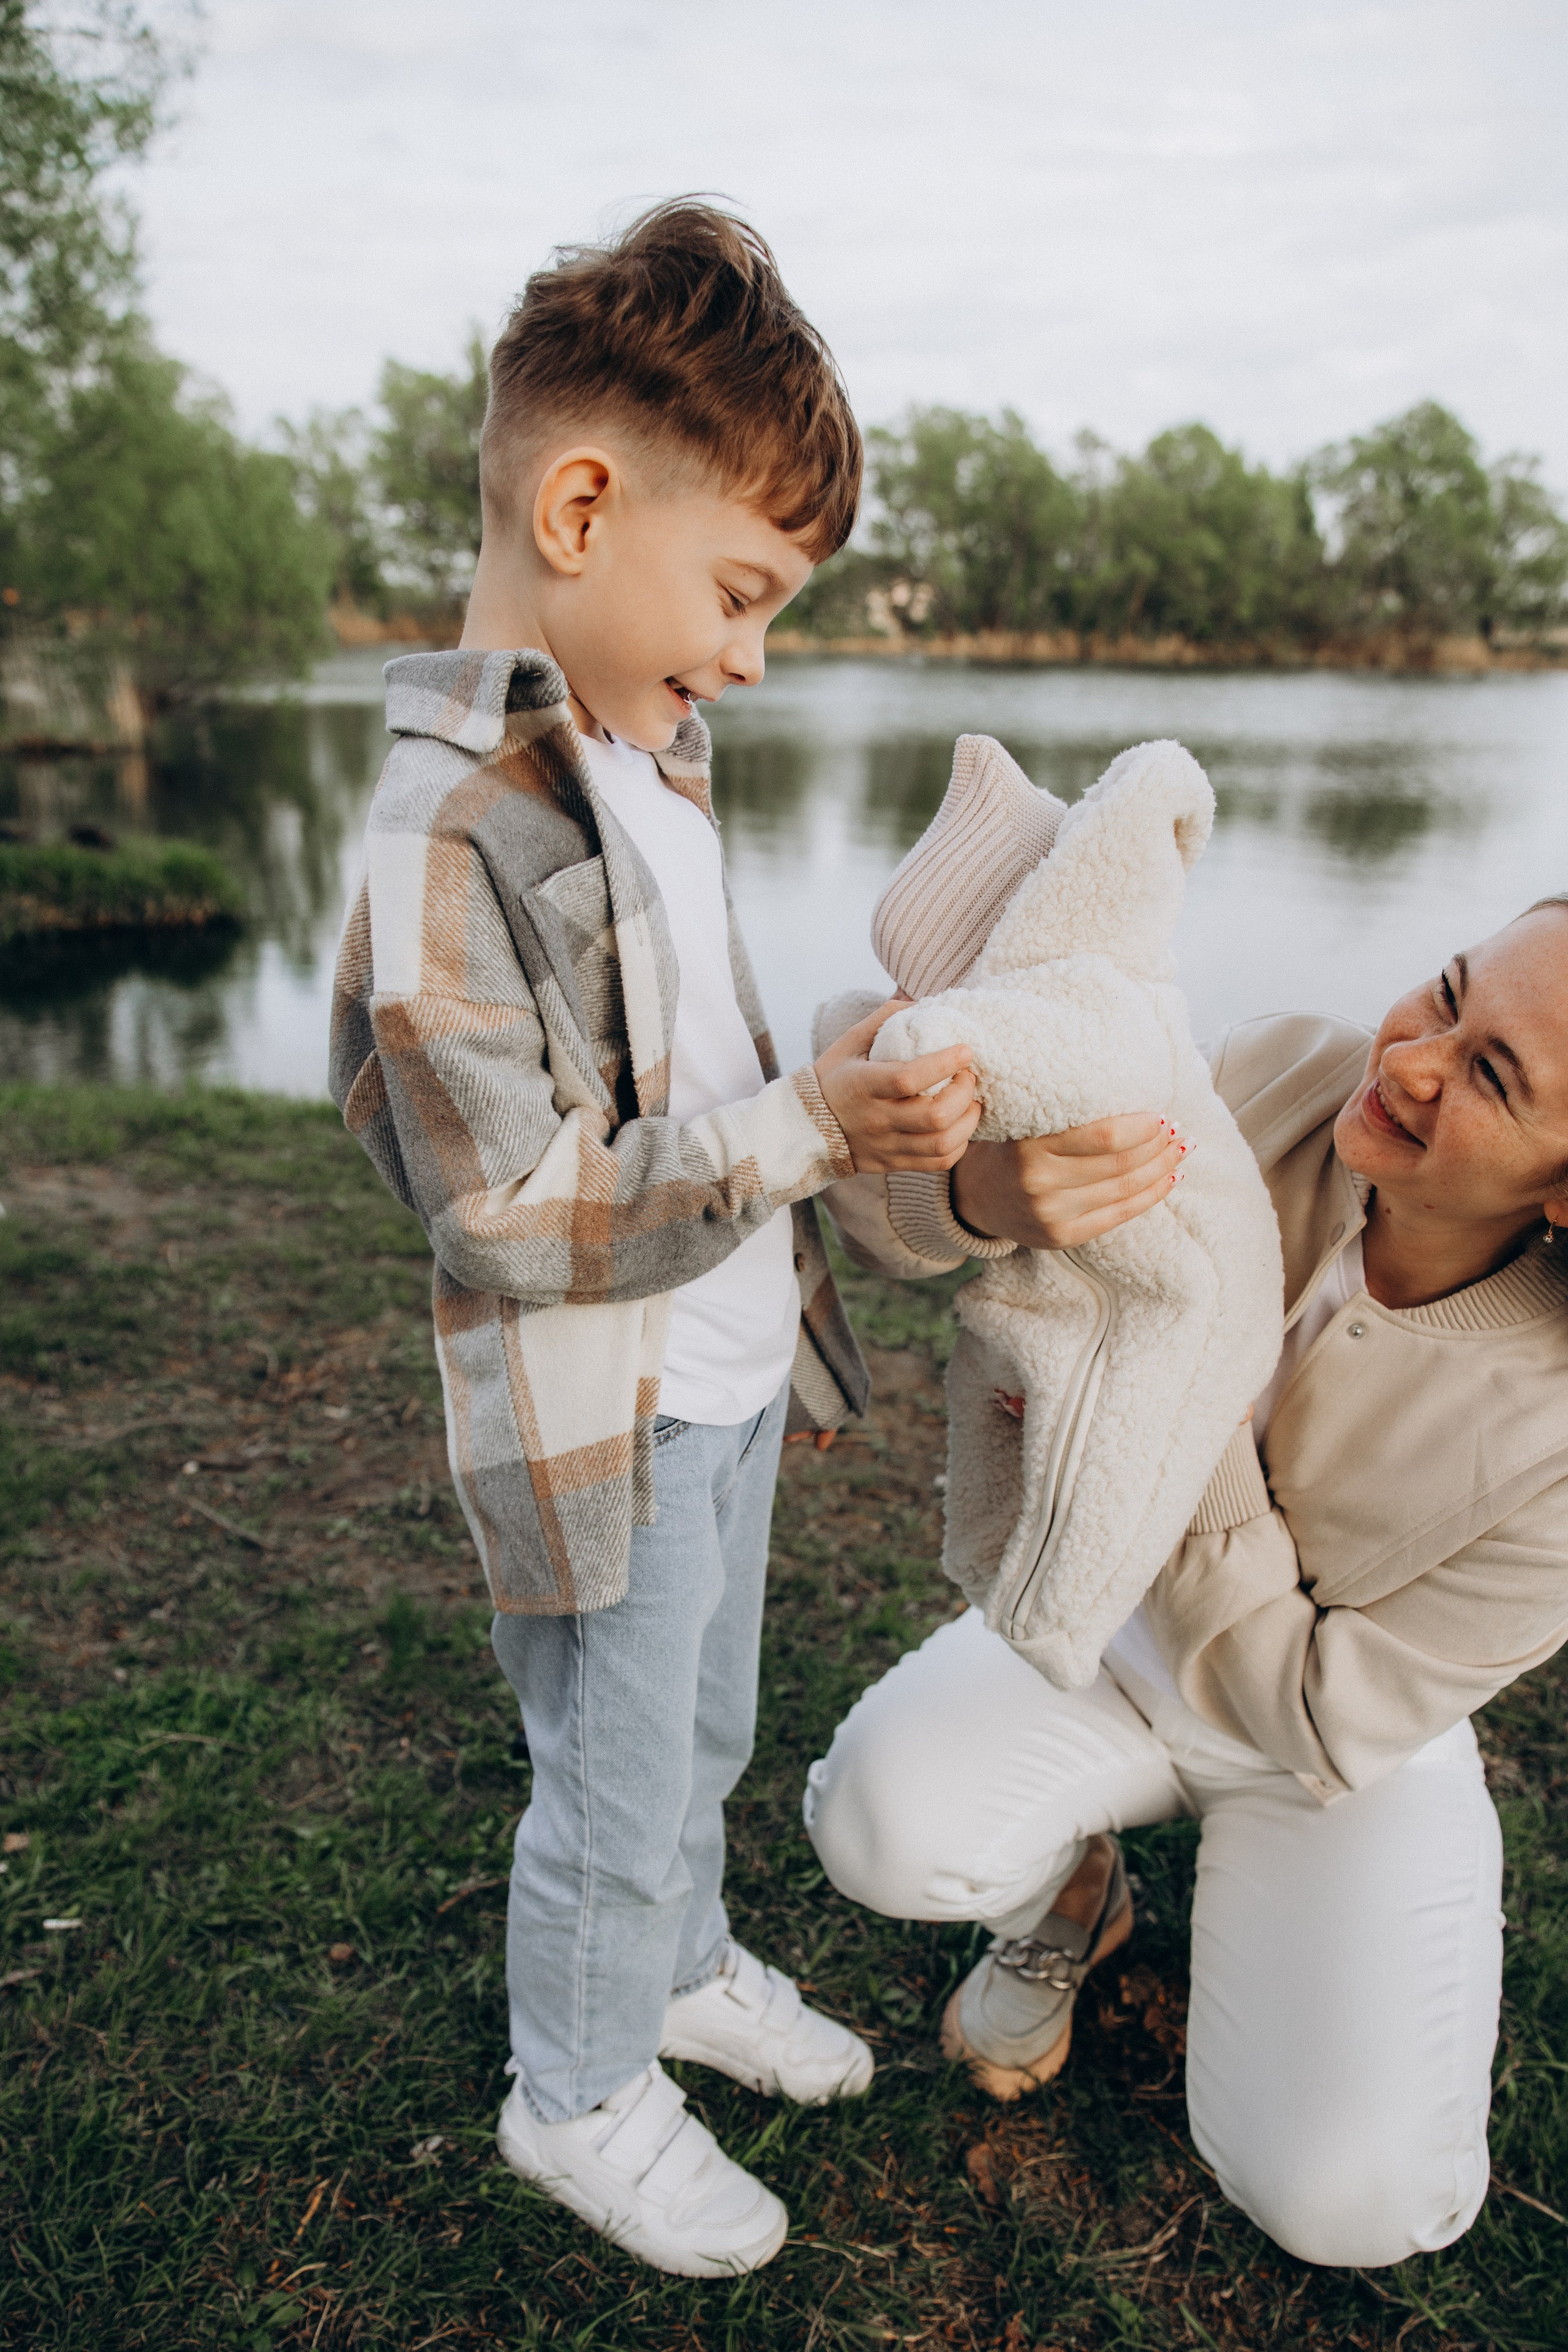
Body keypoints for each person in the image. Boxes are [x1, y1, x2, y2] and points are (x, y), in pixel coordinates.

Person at [328, 202, 982, 2277]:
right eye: (745, 591)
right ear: (584, 504)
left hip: (711, 1377)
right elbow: (508, 1212)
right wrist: (795, 1128)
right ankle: (577, 2091)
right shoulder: (446, 832)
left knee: (698, 1729)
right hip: (591, 1410)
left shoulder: (660, 748)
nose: (758, 653)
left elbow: (701, 1048)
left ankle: (678, 1972)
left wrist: (836, 1091)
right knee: (606, 1774)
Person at [805, 899, 1568, 2269]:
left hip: (1336, 1749)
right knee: (881, 1826)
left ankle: (1300, 1932)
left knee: (1351, 2208)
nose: (1409, 1060)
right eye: (1443, 995)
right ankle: (1076, 1894)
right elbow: (914, 1209)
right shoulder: (1274, 1071)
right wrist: (981, 1187)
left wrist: (1194, 1421)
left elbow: (1327, 1713)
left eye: (1491, 1075)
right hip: (1111, 1623)